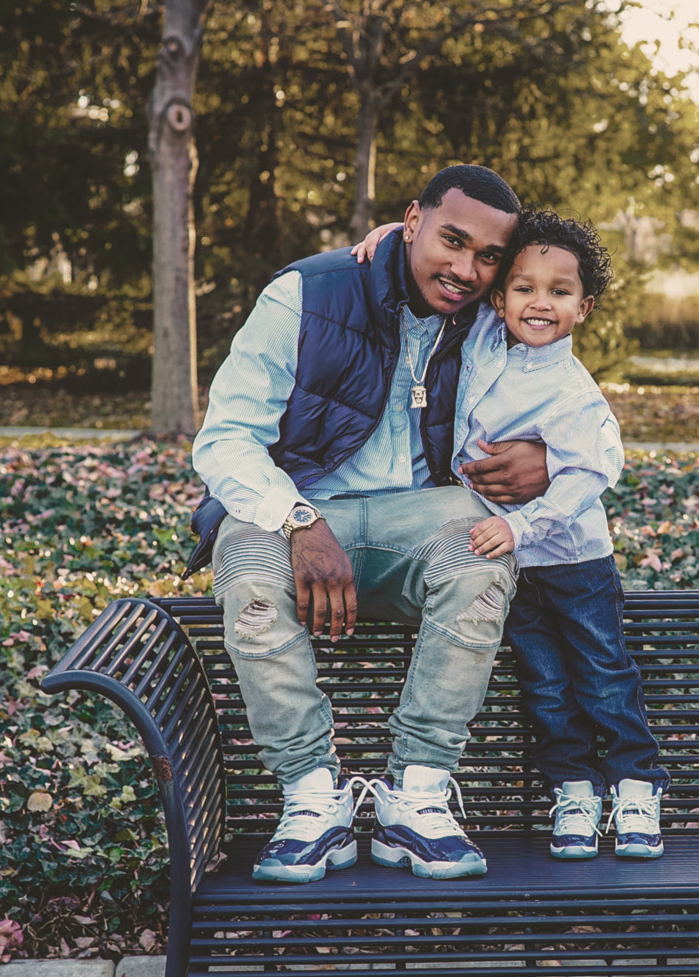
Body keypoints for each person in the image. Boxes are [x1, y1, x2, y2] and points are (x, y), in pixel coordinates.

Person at [190, 164, 554, 885]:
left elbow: (565, 373)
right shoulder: (308, 292)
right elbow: (225, 438)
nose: (466, 268)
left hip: (418, 521)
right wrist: (298, 517)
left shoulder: (493, 312)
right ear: (411, 218)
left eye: (487, 256)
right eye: (450, 239)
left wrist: (546, 458)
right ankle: (311, 800)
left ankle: (414, 799)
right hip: (290, 504)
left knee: (481, 559)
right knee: (250, 577)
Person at [458, 212, 668, 859]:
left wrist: (517, 526)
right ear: (499, 299)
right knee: (545, 685)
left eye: (559, 291)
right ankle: (574, 787)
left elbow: (589, 473)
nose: (539, 302)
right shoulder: (487, 342)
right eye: (524, 287)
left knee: (603, 676)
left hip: (574, 563)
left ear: (584, 306)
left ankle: (636, 783)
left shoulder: (573, 390)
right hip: (515, 568)